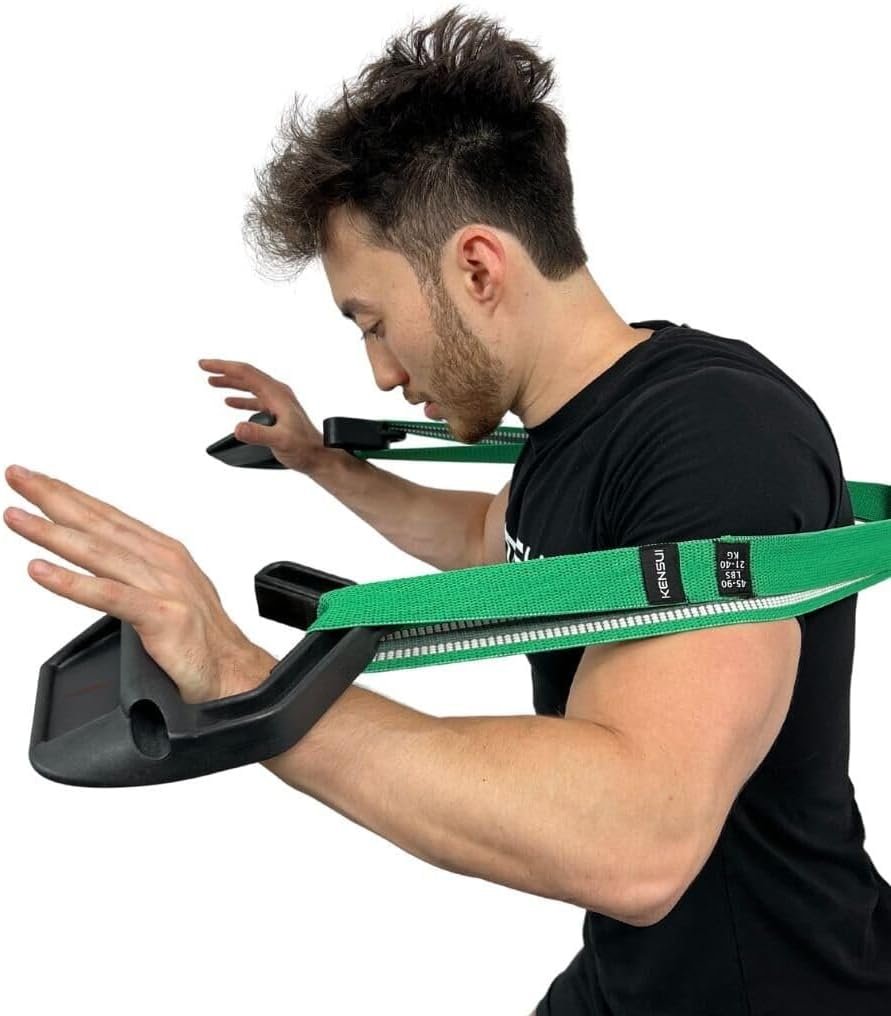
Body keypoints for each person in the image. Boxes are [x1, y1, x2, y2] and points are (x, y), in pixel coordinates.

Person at [6, 6, 890, 1013]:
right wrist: (320, 464)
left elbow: (638, 838)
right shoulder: (576, 421)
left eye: (373, 321)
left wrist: (242, 680)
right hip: (629, 979)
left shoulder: (713, 434)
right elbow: (493, 543)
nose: (381, 373)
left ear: (477, 267)